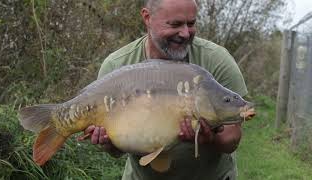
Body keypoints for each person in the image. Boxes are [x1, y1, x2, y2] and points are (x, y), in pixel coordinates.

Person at [82, 0, 248, 179]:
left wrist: (211, 139)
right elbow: (115, 151)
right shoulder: (116, 66)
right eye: (175, 24)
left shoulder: (217, 60)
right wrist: (107, 143)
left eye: (191, 24)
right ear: (147, 17)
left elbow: (233, 138)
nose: (185, 33)